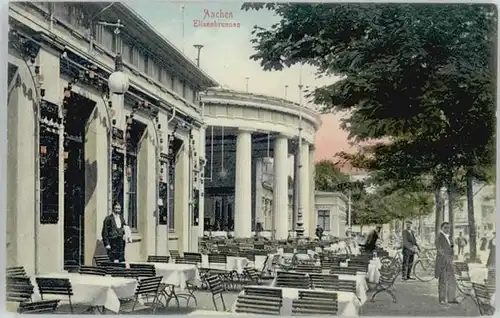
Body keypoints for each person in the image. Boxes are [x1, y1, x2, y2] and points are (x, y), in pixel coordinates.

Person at [435, 222, 458, 305]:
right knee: (443, 281)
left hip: (449, 262)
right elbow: (440, 250)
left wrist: (452, 257)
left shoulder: (449, 238)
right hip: (442, 263)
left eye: (449, 228)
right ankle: (442, 299)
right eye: (446, 227)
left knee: (452, 280)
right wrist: (448, 259)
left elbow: (451, 248)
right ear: (442, 228)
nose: (448, 229)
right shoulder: (439, 238)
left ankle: (451, 298)